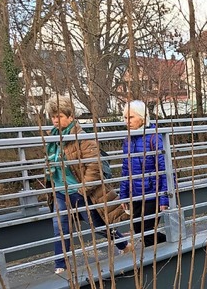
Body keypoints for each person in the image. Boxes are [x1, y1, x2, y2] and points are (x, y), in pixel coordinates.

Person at [46, 95, 131, 274]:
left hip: (78, 191)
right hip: (61, 191)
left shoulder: (82, 137)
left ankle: (123, 244)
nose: (55, 120)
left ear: (70, 116)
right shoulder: (52, 138)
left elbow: (94, 166)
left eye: (59, 116)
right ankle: (60, 265)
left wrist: (82, 189)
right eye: (53, 116)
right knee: (60, 228)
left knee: (97, 225)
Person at [120, 100, 169, 248]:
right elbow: (125, 169)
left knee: (146, 231)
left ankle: (167, 248)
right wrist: (123, 195)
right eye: (125, 118)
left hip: (152, 192)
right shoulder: (128, 139)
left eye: (131, 118)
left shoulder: (154, 137)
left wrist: (164, 197)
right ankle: (166, 244)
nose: (127, 122)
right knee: (138, 230)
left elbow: (165, 168)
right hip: (135, 193)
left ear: (142, 118)